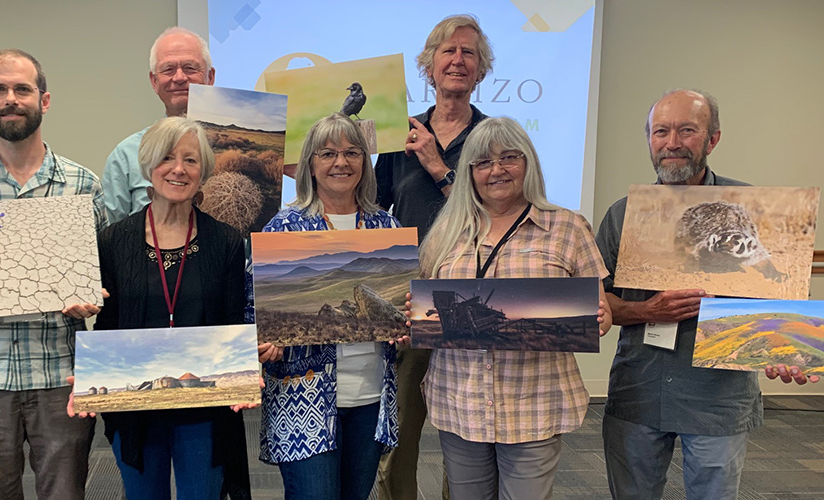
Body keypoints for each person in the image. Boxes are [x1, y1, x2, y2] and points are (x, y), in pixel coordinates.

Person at [596, 89, 817, 500]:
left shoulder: (754, 209)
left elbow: (784, 299)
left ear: (712, 139)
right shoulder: (623, 214)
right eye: (660, 131)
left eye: (687, 130)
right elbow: (597, 302)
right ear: (649, 139)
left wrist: (787, 350)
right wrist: (646, 309)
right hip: (639, 389)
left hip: (718, 397)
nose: (672, 143)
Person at [0, 49, 108, 500]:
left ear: (43, 100)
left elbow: (104, 271)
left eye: (22, 89)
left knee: (66, 494)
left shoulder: (80, 184)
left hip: (60, 372)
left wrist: (94, 295)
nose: (11, 98)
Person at [417, 116, 611, 500]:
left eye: (509, 157)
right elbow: (423, 300)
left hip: (533, 403)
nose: (497, 170)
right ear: (470, 172)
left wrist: (602, 317)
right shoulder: (445, 231)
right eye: (483, 163)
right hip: (461, 400)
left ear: (528, 164)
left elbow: (601, 307)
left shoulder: (568, 227)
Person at [78, 116, 251, 500]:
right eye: (167, 158)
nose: (178, 169)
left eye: (190, 160)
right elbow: (107, 322)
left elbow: (233, 321)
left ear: (203, 170)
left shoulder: (224, 241)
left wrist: (243, 376)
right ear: (148, 166)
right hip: (137, 409)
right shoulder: (114, 241)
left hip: (203, 410)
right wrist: (91, 380)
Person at [373, 14, 492, 500]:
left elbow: (495, 215)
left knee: (467, 431)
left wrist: (438, 166)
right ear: (429, 66)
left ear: (482, 69)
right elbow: (373, 209)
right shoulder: (399, 134)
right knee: (399, 428)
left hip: (470, 294)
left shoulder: (494, 138)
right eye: (448, 51)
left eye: (468, 52)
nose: (458, 60)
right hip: (408, 297)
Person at [257, 113, 403, 500]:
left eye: (352, 152)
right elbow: (252, 307)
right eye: (328, 153)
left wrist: (409, 324)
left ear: (364, 163)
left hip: (370, 396)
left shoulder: (387, 226)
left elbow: (402, 311)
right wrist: (264, 341)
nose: (341, 162)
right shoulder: (283, 227)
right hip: (301, 399)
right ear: (310, 164)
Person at [103, 27, 216, 223]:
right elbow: (110, 237)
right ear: (154, 81)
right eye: (168, 69)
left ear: (210, 77)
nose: (179, 77)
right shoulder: (126, 155)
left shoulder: (241, 151)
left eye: (190, 68)